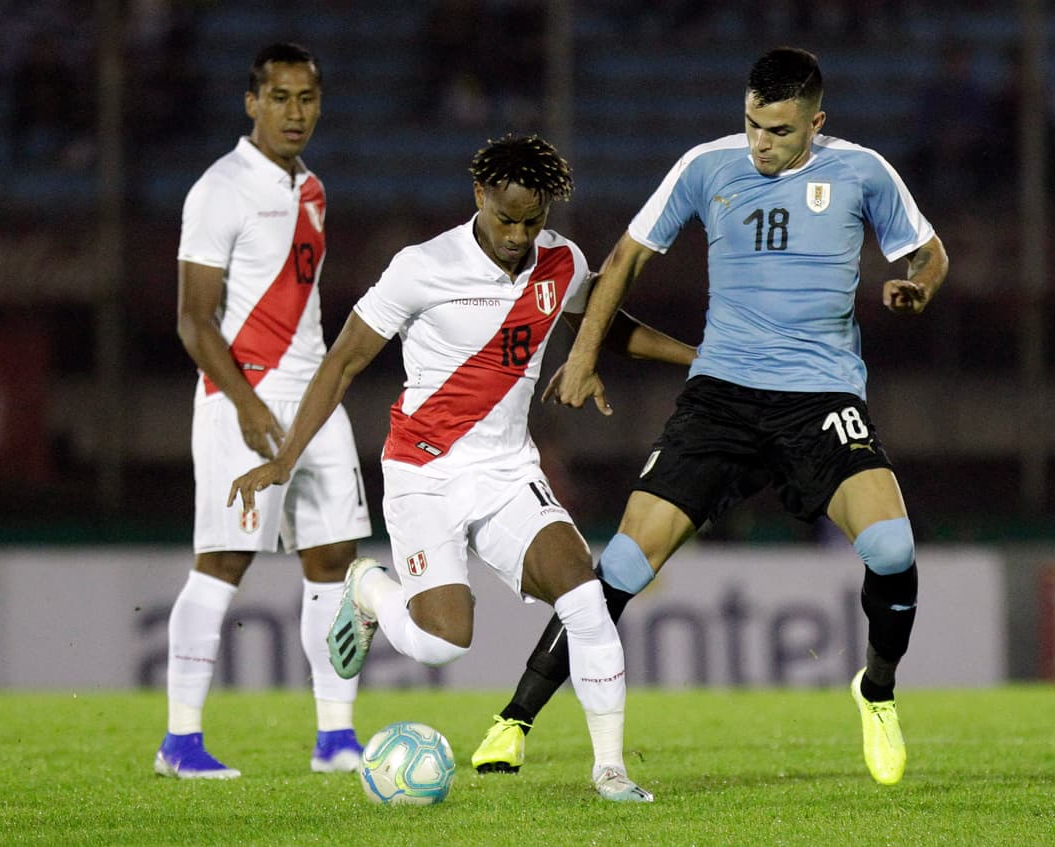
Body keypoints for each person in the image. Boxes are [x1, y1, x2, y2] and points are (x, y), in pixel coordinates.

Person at [470, 47, 949, 788]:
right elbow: (625, 257)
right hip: (721, 395)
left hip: (821, 398)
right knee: (624, 564)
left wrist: (918, 286)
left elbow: (930, 254)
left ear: (815, 124)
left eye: (780, 131)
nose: (761, 142)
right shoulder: (707, 165)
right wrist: (588, 352)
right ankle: (515, 717)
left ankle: (876, 691)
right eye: (753, 123)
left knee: (891, 549)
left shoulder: (863, 172)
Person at [228, 134, 696, 801]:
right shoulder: (422, 267)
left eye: (532, 221)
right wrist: (284, 457)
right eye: (506, 218)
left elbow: (605, 326)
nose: (518, 234)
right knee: (444, 643)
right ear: (479, 196)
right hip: (424, 475)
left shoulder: (560, 261)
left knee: (586, 598)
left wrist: (698, 357)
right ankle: (370, 590)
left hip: (508, 472)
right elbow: (343, 360)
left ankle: (611, 771)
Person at [154, 42, 372, 780]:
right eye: (279, 98)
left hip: (313, 394)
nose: (294, 112)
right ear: (251, 102)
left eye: (307, 99)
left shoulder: (312, 187)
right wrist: (247, 405)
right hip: (240, 397)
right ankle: (179, 740)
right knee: (222, 561)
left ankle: (335, 737)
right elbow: (193, 320)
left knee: (334, 558)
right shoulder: (219, 189)